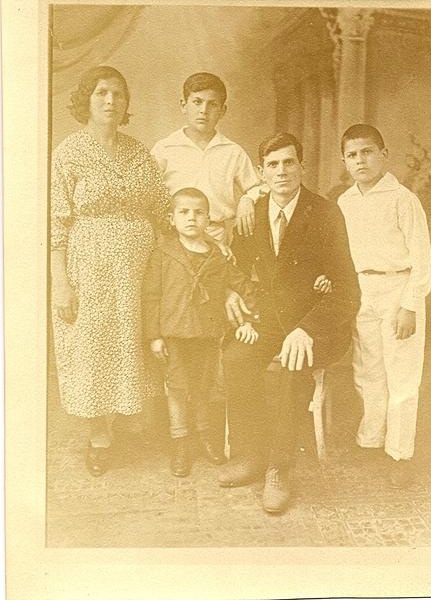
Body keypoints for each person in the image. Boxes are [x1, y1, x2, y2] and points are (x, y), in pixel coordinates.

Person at [219, 132, 360, 514]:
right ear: (261, 171)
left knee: (286, 368)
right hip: (271, 322)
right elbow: (234, 266)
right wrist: (233, 294)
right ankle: (253, 455)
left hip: (316, 326)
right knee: (235, 358)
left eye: (289, 162)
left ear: (302, 166)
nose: (281, 171)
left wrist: (308, 328)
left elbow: (347, 289)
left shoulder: (325, 212)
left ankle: (279, 469)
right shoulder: (253, 212)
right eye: (273, 164)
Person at [51, 65, 171, 477]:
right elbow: (56, 223)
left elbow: (163, 209)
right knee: (92, 347)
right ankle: (99, 436)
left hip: (139, 270)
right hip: (89, 268)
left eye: (118, 94)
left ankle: (128, 423)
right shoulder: (69, 153)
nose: (110, 101)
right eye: (102, 92)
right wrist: (60, 283)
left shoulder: (139, 153)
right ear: (86, 98)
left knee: (133, 344)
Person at [337, 124, 431, 488]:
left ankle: (400, 452)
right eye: (352, 154)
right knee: (368, 369)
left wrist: (410, 304)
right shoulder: (346, 202)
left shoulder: (403, 199)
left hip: (399, 287)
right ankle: (371, 440)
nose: (360, 160)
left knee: (402, 372)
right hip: (363, 290)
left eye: (367, 152)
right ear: (344, 160)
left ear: (383, 154)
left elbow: (422, 259)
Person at [142, 188, 259, 477]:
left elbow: (240, 282)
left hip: (208, 333)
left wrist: (255, 315)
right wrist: (155, 336)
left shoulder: (218, 255)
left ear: (209, 219)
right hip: (175, 334)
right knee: (178, 388)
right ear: (172, 218)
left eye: (198, 213)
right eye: (184, 212)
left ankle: (206, 435)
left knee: (205, 387)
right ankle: (181, 441)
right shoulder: (162, 253)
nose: (191, 218)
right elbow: (151, 296)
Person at [151, 72, 264, 245]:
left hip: (215, 236)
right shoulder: (165, 148)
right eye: (197, 102)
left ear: (222, 111)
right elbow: (147, 193)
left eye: (212, 104)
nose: (204, 110)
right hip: (171, 235)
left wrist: (247, 199)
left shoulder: (232, 152)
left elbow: (259, 186)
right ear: (183, 105)